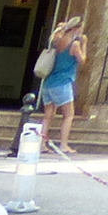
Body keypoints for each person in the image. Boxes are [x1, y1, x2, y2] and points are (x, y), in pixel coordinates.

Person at [40, 18, 86, 153]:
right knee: (68, 115)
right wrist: (84, 44)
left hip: (49, 82)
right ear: (77, 28)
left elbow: (56, 34)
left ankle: (42, 144)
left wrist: (61, 28)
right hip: (63, 82)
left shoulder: (58, 40)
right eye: (81, 28)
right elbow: (82, 60)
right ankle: (63, 145)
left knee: (48, 115)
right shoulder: (74, 44)